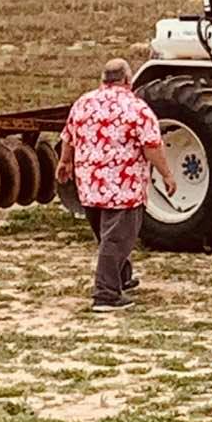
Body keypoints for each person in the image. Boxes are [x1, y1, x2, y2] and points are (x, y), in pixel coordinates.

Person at [56, 57, 177, 313]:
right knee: (116, 240)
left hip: (89, 185)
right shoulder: (136, 108)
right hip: (123, 187)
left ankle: (122, 278)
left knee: (108, 236)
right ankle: (106, 294)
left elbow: (68, 136)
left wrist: (65, 162)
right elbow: (151, 146)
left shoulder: (83, 103)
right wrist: (166, 174)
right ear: (128, 80)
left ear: (103, 79)